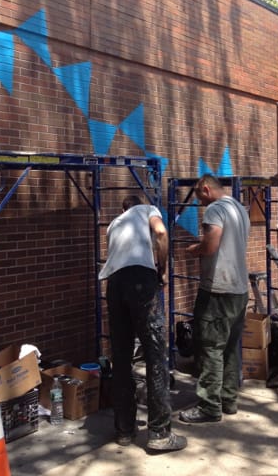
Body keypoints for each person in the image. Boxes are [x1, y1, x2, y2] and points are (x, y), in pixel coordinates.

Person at [99, 194, 187, 452]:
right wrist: (162, 268)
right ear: (139, 205)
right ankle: (159, 433)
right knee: (155, 355)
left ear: (122, 207)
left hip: (114, 285)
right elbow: (160, 232)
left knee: (121, 358)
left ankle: (124, 430)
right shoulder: (147, 209)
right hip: (141, 280)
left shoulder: (114, 224)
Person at [179, 174, 250, 424]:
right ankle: (228, 399)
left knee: (210, 347)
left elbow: (211, 245)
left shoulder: (215, 210)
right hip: (239, 289)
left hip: (218, 289)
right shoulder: (239, 209)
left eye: (199, 199)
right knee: (230, 347)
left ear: (206, 189)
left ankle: (209, 405)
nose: (200, 205)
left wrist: (195, 249)